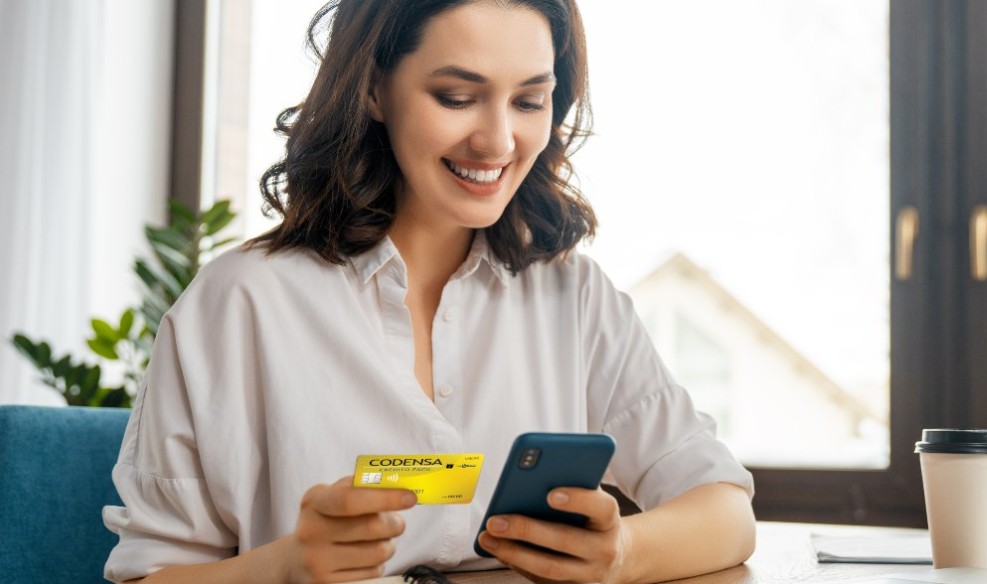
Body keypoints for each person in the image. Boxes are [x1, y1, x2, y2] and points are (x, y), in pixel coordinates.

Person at [102, 0, 757, 582]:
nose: (499, 140)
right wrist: (286, 567)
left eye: (529, 101)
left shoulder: (573, 295)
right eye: (456, 96)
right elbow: (147, 576)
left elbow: (726, 511)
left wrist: (622, 554)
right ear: (374, 89)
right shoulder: (237, 305)